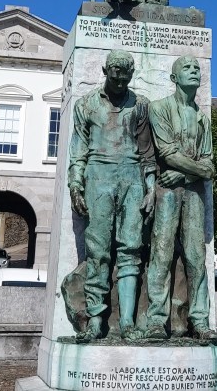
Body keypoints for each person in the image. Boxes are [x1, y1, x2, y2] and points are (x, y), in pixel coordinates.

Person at [68, 50, 157, 342]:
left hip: (132, 177)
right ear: (105, 70)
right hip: (98, 176)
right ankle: (95, 321)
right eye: (115, 75)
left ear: (132, 76)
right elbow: (78, 150)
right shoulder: (85, 105)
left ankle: (127, 322)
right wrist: (75, 185)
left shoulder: (141, 105)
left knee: (131, 249)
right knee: (97, 251)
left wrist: (151, 188)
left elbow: (147, 153)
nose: (120, 81)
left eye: (125, 77)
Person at [142, 55, 215, 340]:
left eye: (197, 68)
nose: (194, 71)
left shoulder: (202, 118)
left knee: (196, 257)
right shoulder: (159, 108)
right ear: (174, 78)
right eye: (187, 68)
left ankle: (200, 320)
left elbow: (209, 166)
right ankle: (156, 320)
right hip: (166, 191)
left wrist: (184, 175)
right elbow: (167, 153)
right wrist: (196, 170)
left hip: (192, 191)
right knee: (161, 254)